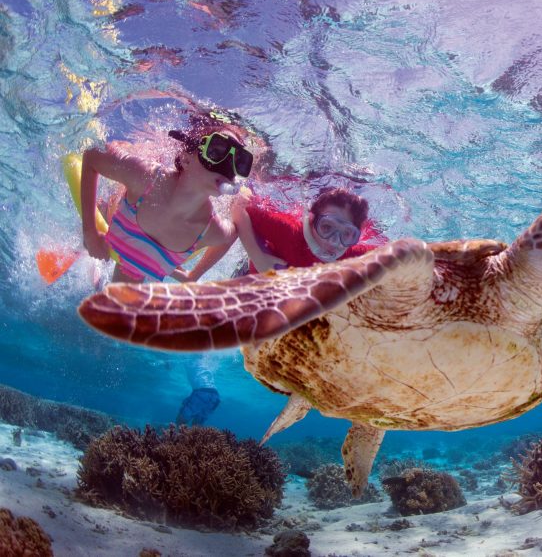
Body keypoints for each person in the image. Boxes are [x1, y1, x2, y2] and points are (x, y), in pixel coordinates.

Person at [79, 110, 259, 425]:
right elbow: (92, 156)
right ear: (186, 156)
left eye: (240, 161)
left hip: (137, 265)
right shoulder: (145, 176)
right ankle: (101, 239)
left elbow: (232, 235)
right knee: (107, 260)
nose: (228, 166)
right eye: (218, 151)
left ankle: (103, 279)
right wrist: (90, 232)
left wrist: (194, 275)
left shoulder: (209, 230)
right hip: (120, 228)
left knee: (117, 299)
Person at [232, 186, 385, 273]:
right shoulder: (288, 232)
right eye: (326, 227)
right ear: (312, 220)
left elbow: (402, 255)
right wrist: (256, 255)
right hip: (250, 283)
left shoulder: (355, 254)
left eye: (347, 234)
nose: (333, 241)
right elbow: (239, 199)